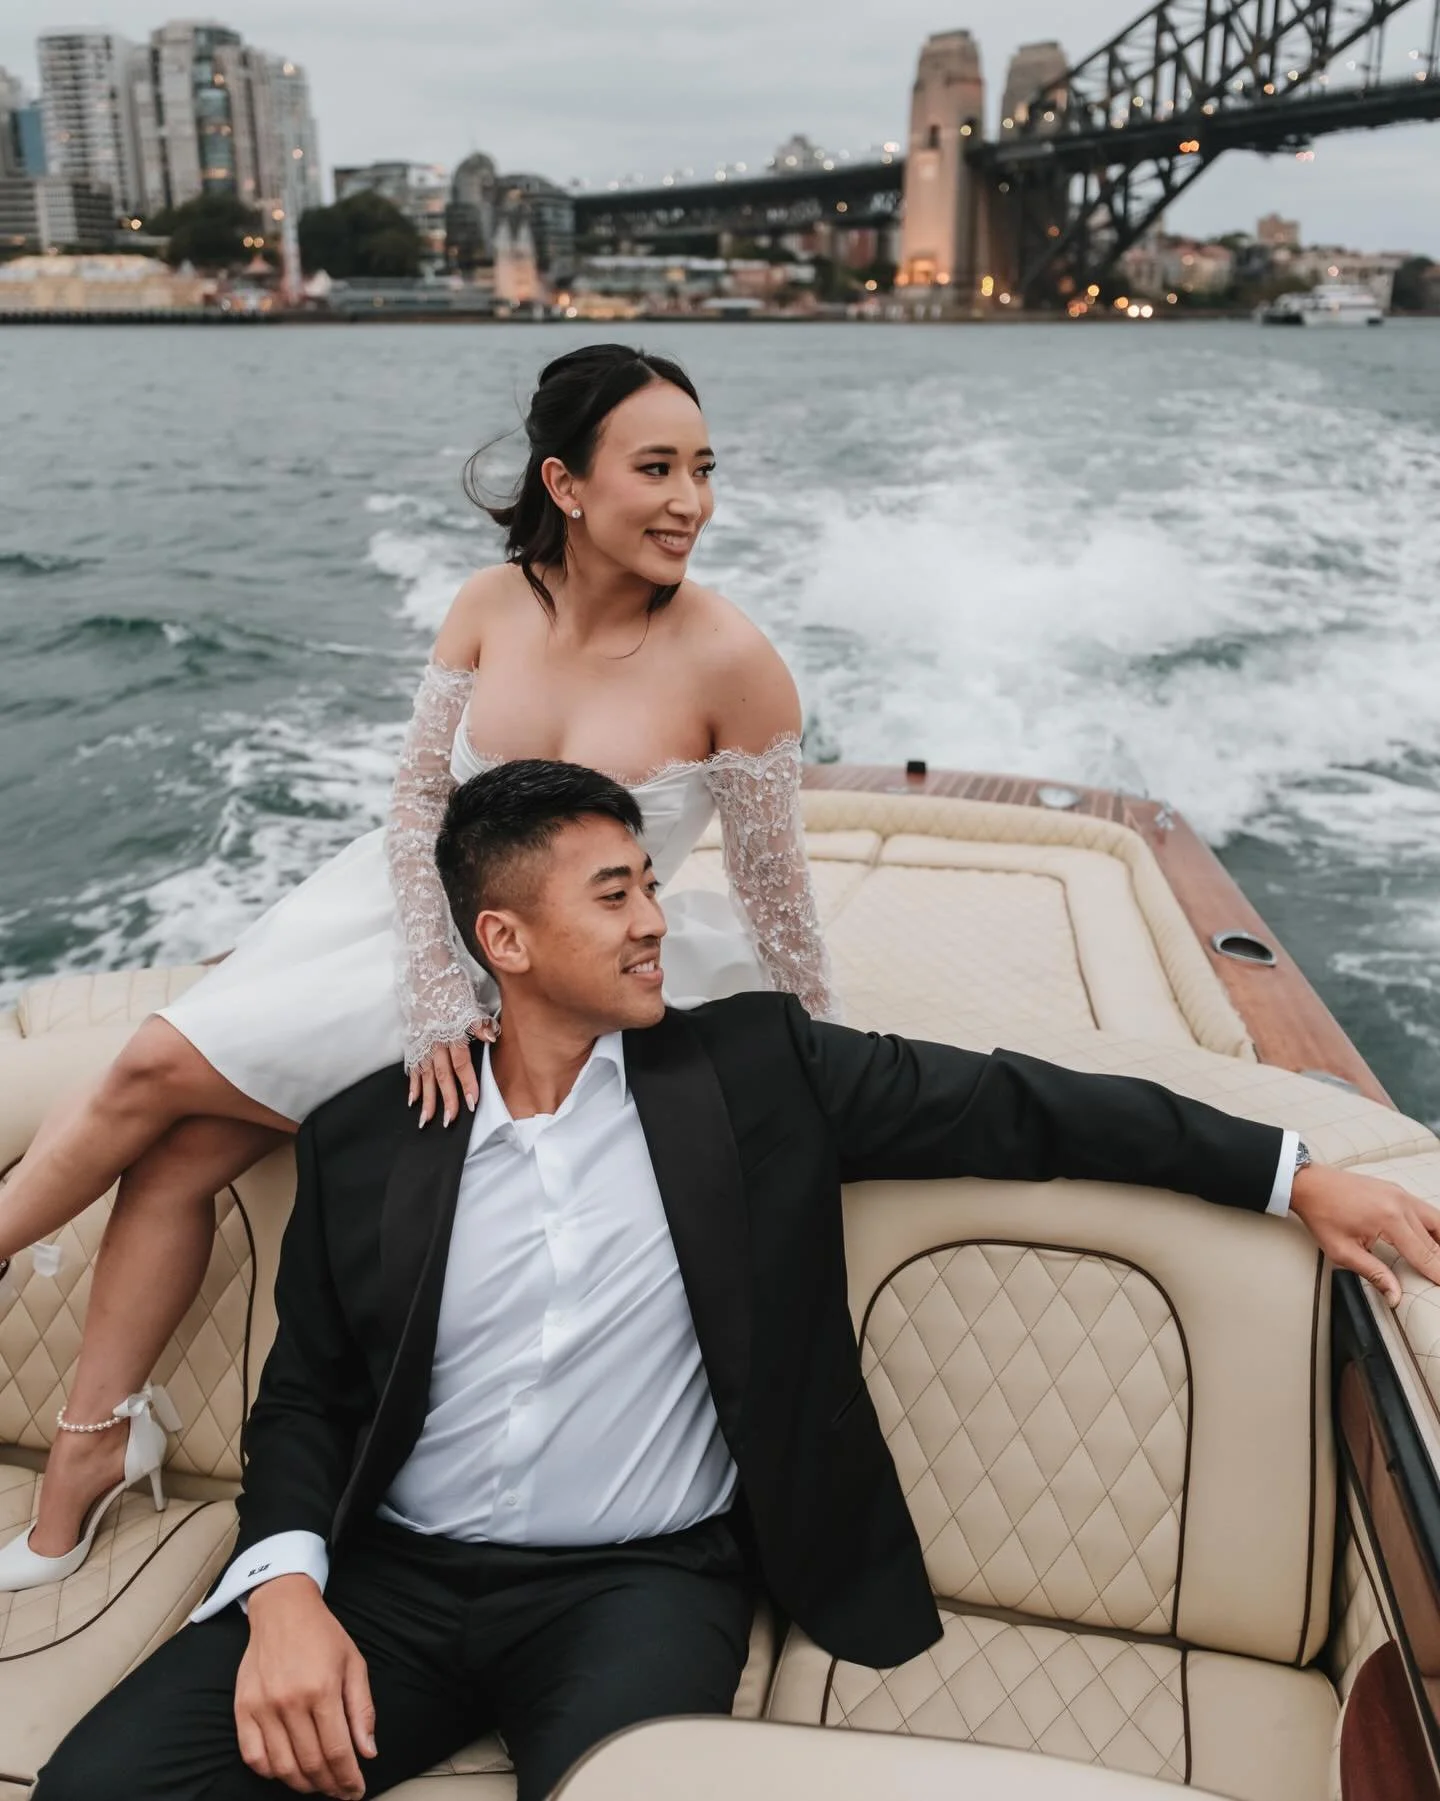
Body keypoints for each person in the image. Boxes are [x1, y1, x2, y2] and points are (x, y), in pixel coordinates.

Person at [32, 758, 1440, 1801]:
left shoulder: (760, 1073)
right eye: (615, 894)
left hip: (640, 1587)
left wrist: (1293, 1170)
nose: (655, 919)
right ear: (503, 943)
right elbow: (308, 1400)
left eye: (652, 882)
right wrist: (284, 1595)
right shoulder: (368, 1136)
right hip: (393, 1579)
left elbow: (1026, 1105)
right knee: (101, 1789)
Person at [0, 344, 838, 1590]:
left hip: (558, 966)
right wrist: (437, 988)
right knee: (167, 1126)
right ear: (565, 481)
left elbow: (780, 906)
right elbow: (409, 813)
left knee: (154, 1073)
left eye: (704, 469)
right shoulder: (489, 604)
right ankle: (90, 1452)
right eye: (655, 468)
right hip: (406, 928)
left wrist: (821, 1062)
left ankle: (88, 1459)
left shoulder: (734, 662)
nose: (691, 501)